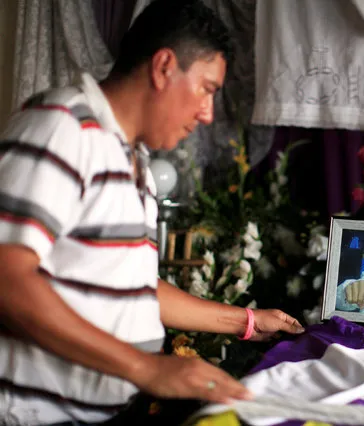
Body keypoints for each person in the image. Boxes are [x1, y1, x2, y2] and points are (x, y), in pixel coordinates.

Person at [0, 1, 305, 425]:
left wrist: (248, 321)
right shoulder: (62, 127)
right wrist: (147, 369)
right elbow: (8, 277)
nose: (207, 113)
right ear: (164, 67)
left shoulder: (133, 158)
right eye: (207, 89)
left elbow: (137, 287)